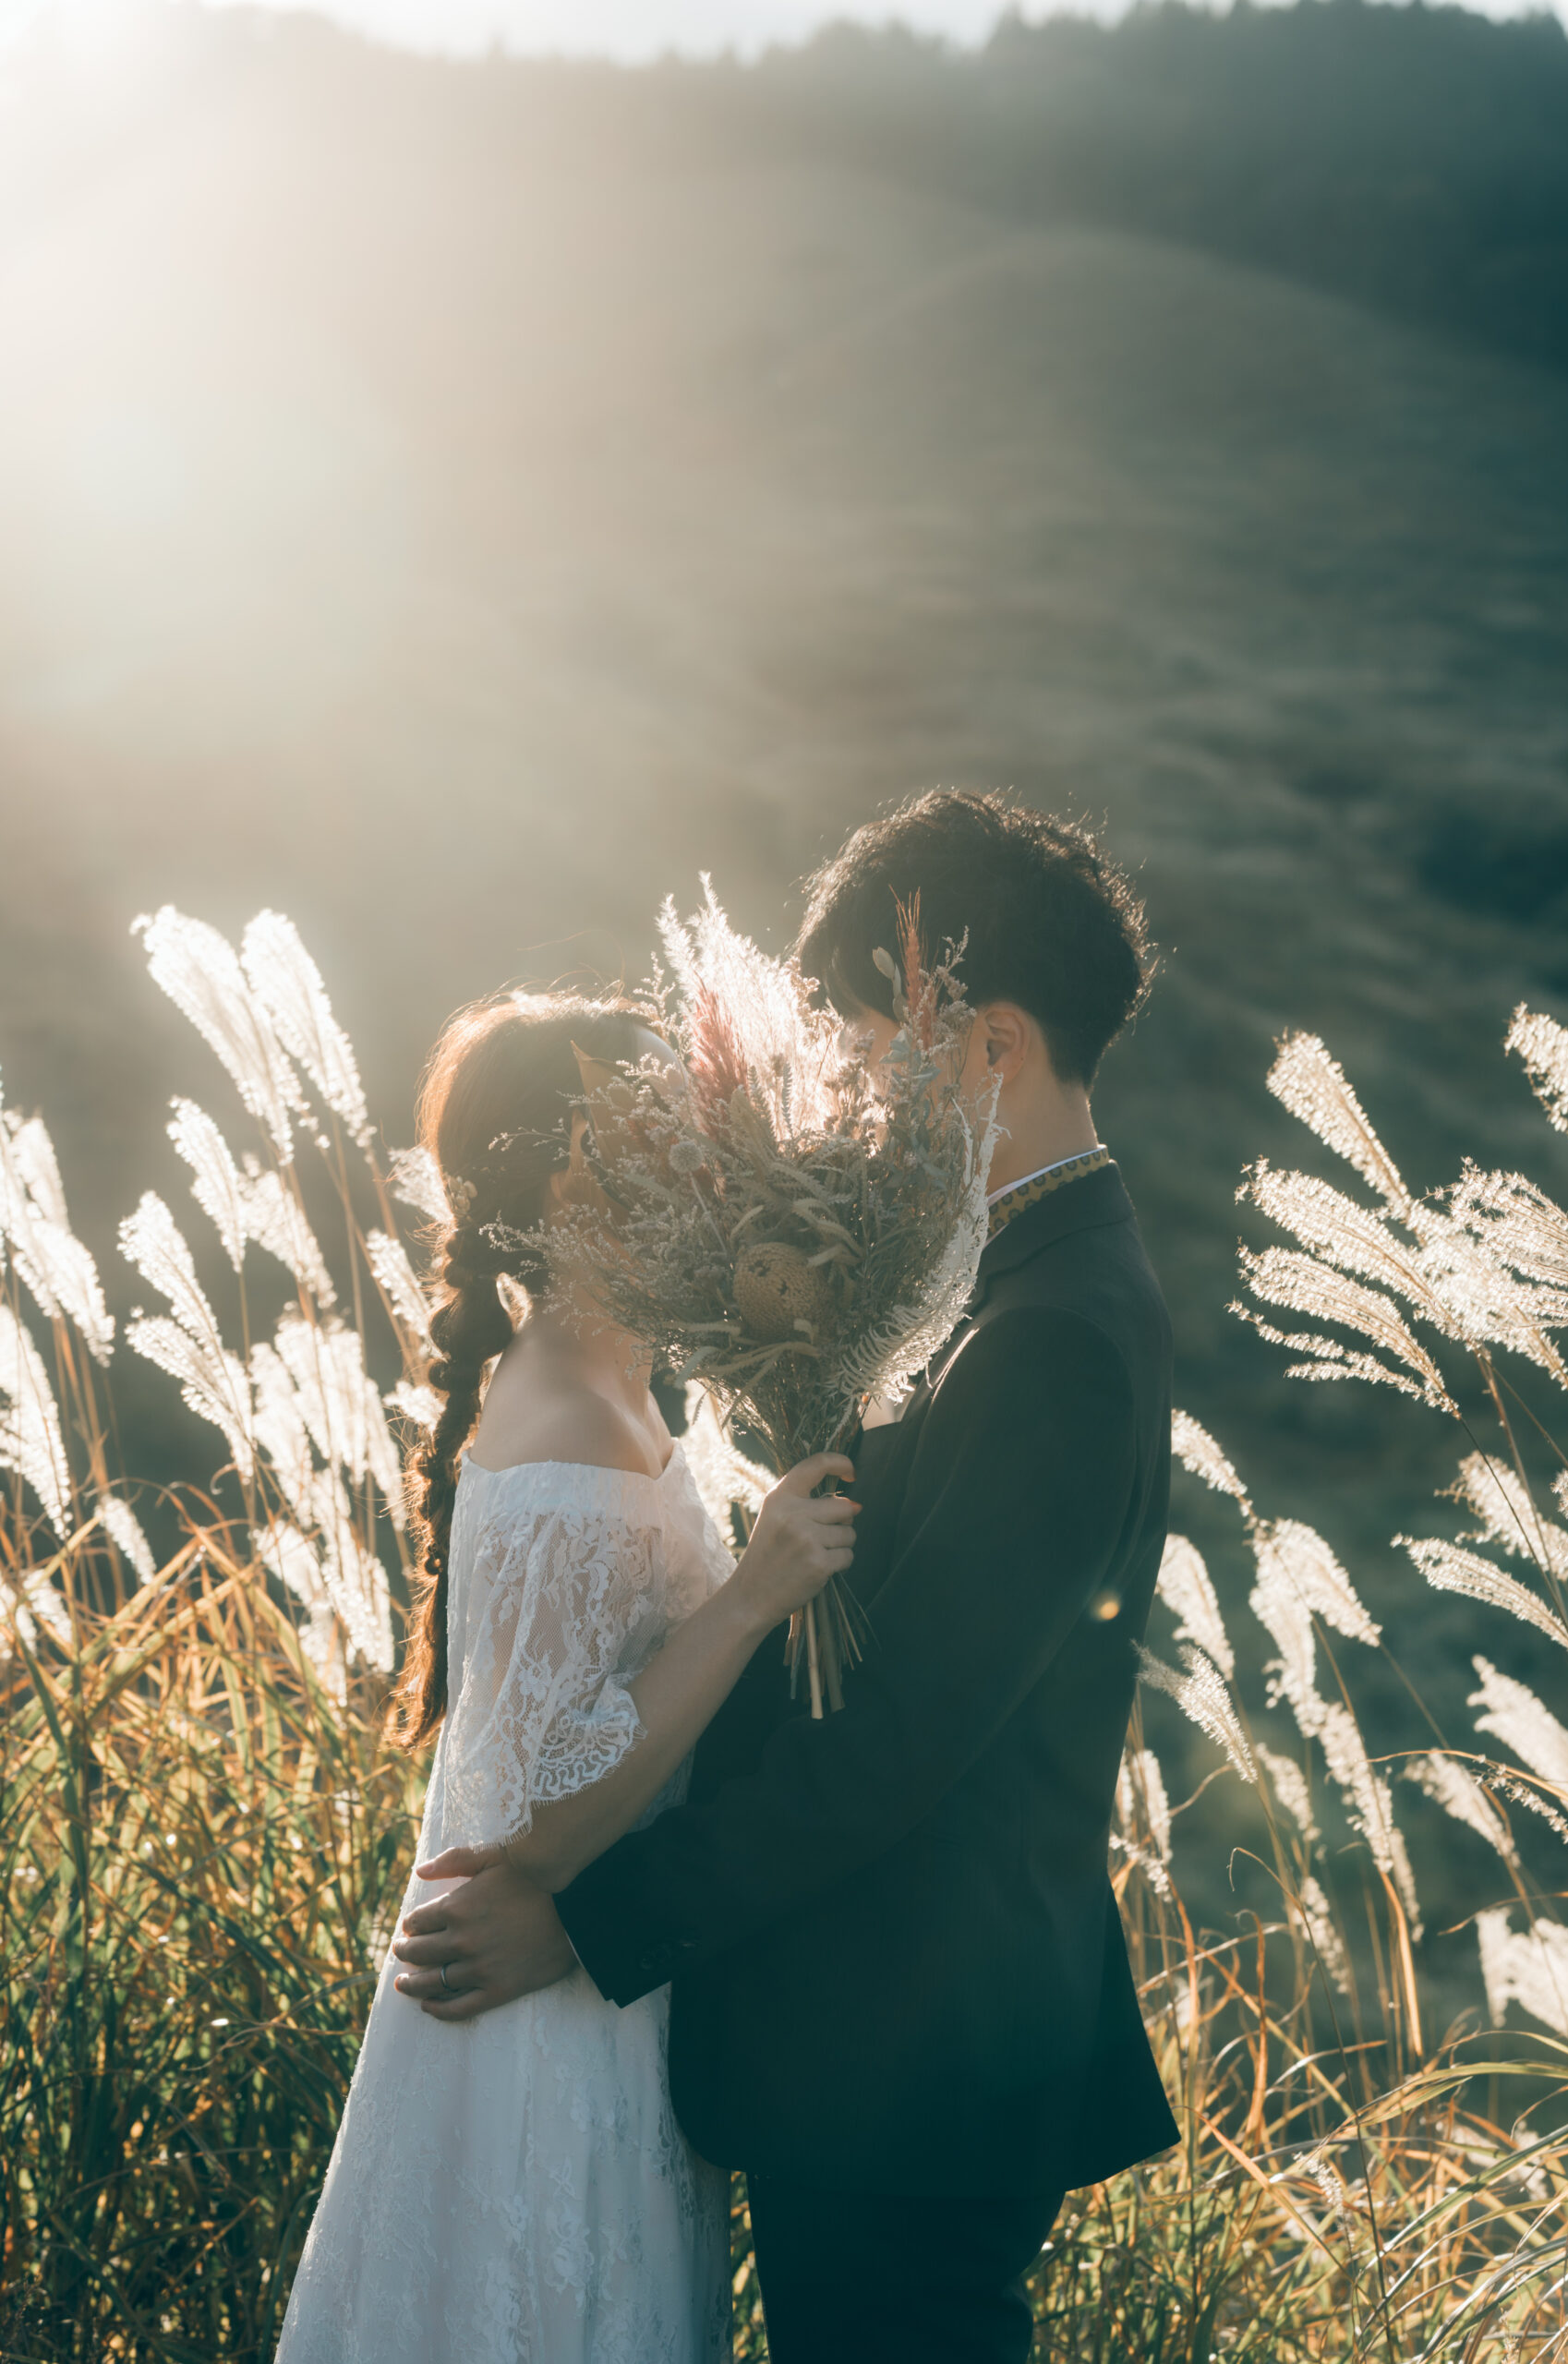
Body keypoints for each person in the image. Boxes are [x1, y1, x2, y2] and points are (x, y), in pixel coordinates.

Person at [393, 791, 1181, 2363]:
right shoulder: (978, 1285)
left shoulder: (1053, 1338)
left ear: (991, 1044)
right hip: (869, 2043)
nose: (840, 1078)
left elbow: (899, 1739)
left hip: (923, 2057)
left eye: (864, 1030)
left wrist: (592, 1926)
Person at [275, 991, 858, 2364]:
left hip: (602, 1989)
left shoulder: (620, 1383)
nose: (703, 1160)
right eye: (657, 1127)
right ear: (565, 1173)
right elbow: (540, 1809)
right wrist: (759, 1593)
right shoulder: (570, 1425)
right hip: (539, 2020)